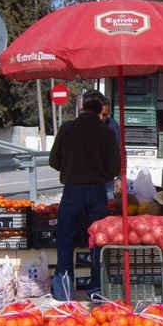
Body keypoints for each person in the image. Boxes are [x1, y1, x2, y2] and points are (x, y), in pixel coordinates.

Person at [49, 90, 120, 300]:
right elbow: (114, 167)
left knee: (65, 240)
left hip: (72, 191)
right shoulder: (106, 133)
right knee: (97, 240)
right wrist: (100, 174)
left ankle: (64, 290)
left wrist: (70, 169)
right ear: (100, 111)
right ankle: (96, 288)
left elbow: (54, 161)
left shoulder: (67, 129)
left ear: (82, 107)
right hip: (97, 191)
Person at [98, 96, 121, 199]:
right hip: (86, 181)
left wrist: (119, 177)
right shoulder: (81, 126)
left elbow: (119, 151)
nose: (103, 118)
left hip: (107, 179)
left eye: (106, 115)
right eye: (102, 114)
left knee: (108, 207)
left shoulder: (112, 126)